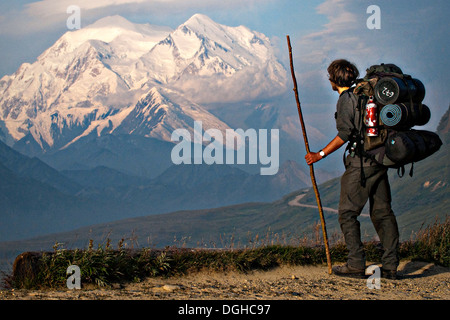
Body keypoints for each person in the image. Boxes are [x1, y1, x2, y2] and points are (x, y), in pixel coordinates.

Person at [305, 59, 399, 280]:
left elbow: (345, 134)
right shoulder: (366, 93)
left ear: (334, 79)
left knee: (347, 213)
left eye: (329, 76)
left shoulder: (347, 99)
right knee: (383, 213)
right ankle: (390, 266)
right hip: (380, 158)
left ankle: (356, 263)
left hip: (361, 162)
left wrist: (319, 154)